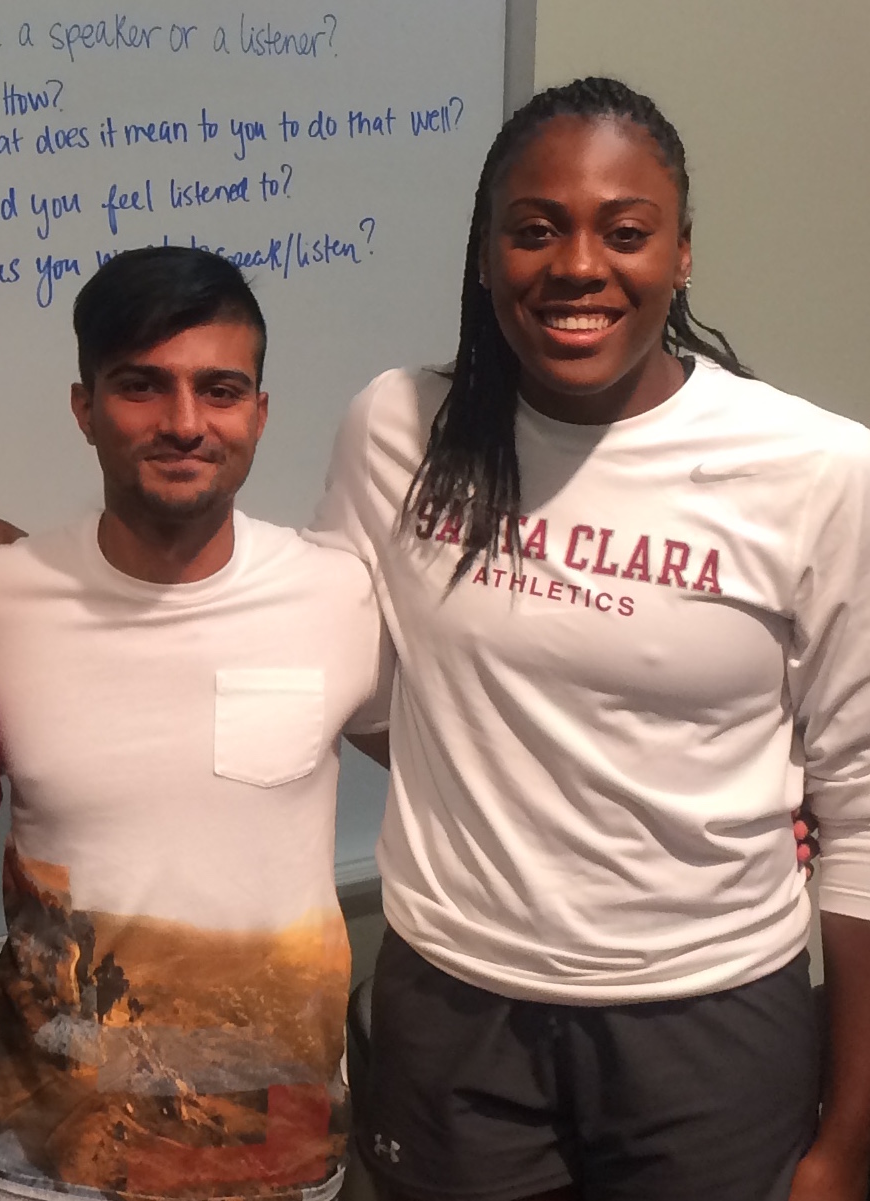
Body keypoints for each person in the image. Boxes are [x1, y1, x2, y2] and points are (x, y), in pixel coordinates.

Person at [309, 77, 870, 1201]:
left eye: (624, 231)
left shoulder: (817, 471)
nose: (576, 265)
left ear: (681, 252)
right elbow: (337, 672)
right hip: (454, 1000)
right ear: (484, 256)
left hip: (708, 1018)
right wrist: (61, 569)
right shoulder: (399, 428)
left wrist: (849, 1138)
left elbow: (860, 805)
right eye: (533, 230)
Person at [0, 246, 390, 1201]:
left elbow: (461, 762)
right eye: (142, 386)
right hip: (43, 1162)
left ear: (260, 412)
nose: (185, 422)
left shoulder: (341, 594)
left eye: (220, 389)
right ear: (85, 406)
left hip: (279, 1161)